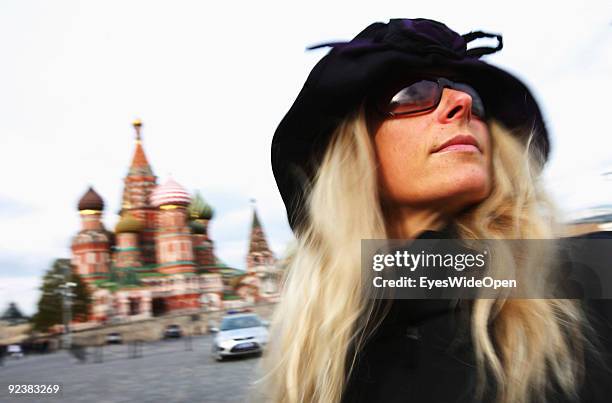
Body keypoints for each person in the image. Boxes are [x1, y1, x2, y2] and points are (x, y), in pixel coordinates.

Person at [259, 18, 612, 403]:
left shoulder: (591, 272)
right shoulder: (328, 342)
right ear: (353, 153)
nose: (461, 103)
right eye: (413, 93)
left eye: (474, 98)